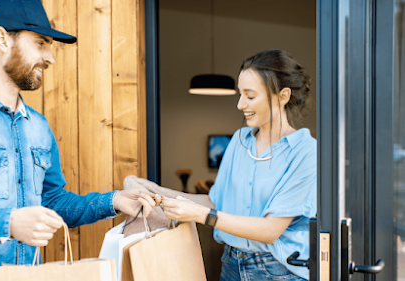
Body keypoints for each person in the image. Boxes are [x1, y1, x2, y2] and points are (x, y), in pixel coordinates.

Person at [0, 0, 158, 280]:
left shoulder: (37, 126)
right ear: (2, 39)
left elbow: (51, 200)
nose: (50, 58)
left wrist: (114, 201)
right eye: (40, 43)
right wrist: (6, 224)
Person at [134, 50, 315, 281]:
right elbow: (214, 202)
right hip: (230, 265)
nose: (240, 104)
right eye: (240, 94)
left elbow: (270, 231)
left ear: (283, 96)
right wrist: (152, 189)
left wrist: (201, 216)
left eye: (250, 96)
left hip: (278, 272)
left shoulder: (305, 152)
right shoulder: (239, 141)